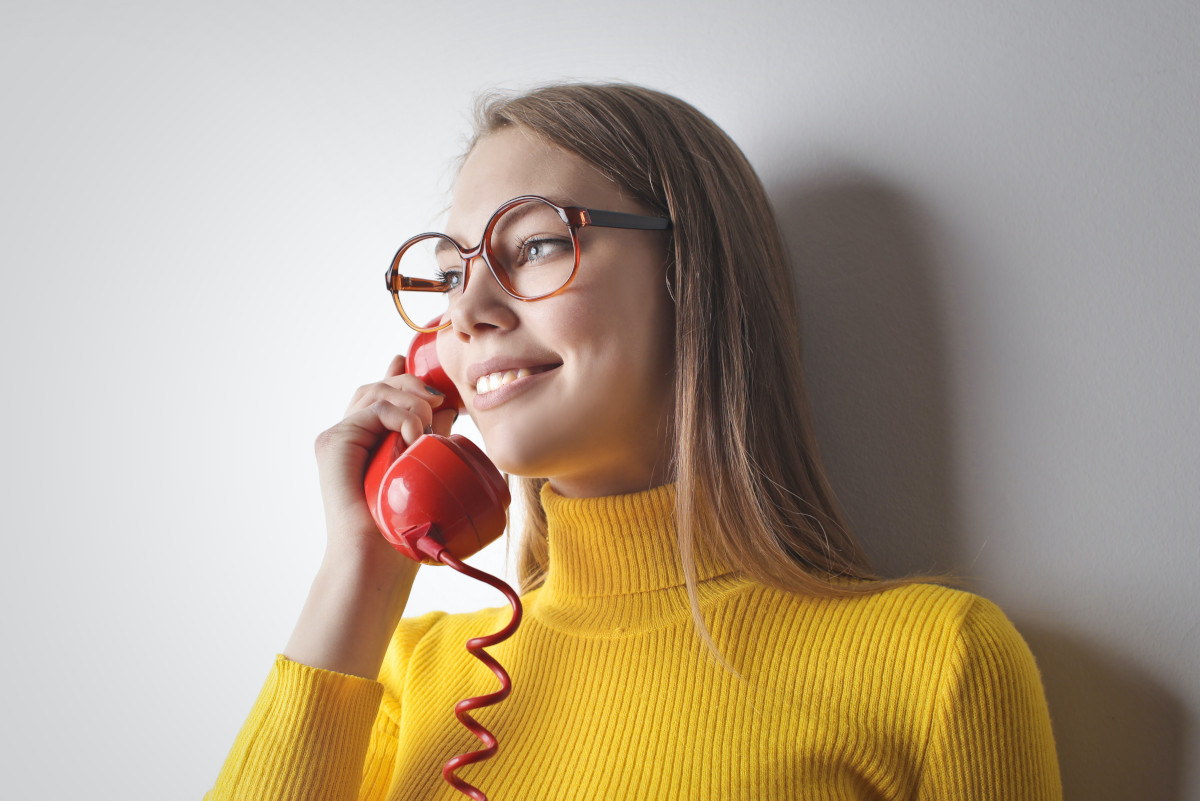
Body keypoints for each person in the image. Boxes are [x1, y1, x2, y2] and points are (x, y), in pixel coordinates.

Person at [207, 83, 1061, 800]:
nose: (465, 313)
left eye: (534, 244)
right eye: (455, 272)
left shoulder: (937, 666)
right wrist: (361, 566)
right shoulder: (408, 673)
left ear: (690, 274)